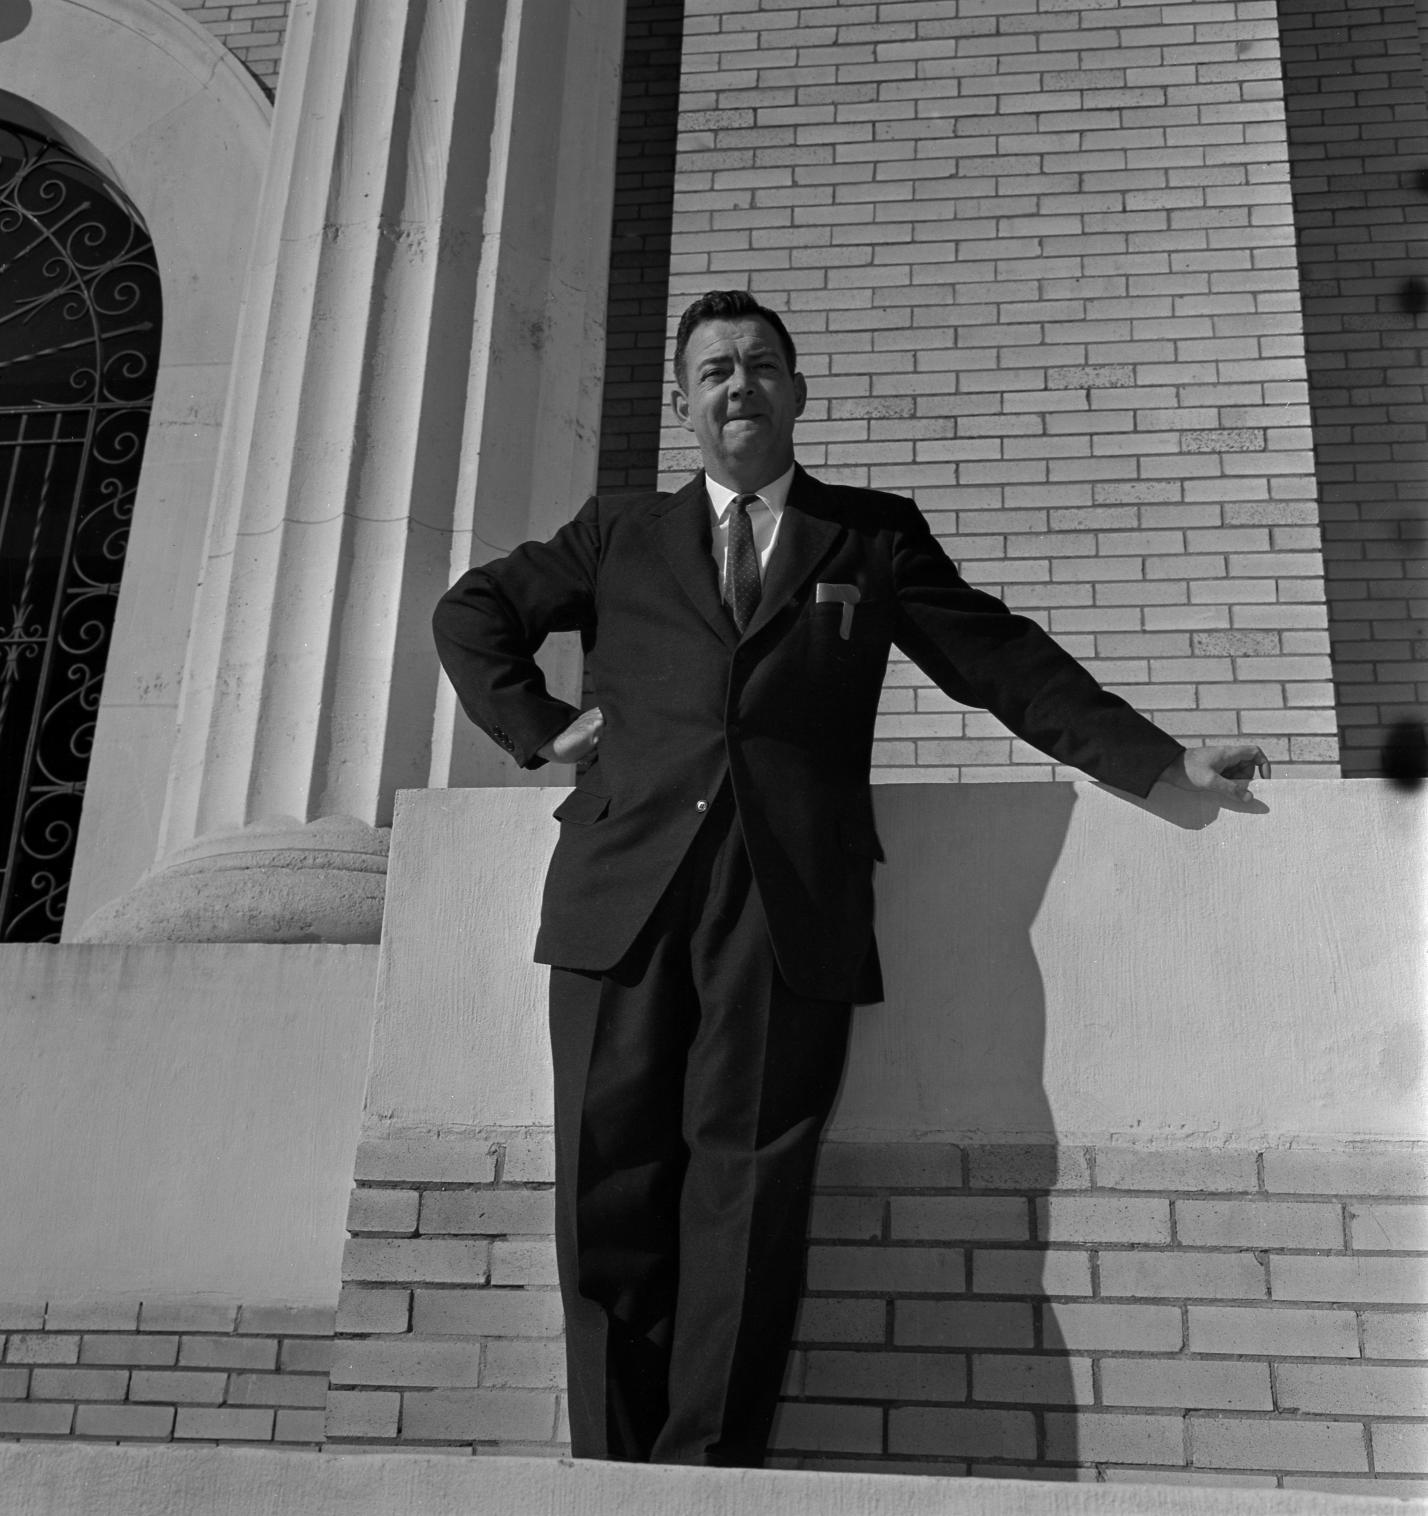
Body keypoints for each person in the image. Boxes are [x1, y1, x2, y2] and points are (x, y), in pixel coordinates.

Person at [431, 289, 1268, 1468]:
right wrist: (539, 725)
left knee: (751, 1197)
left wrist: (1161, 760)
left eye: (762, 364)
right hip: (622, 895)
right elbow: (472, 613)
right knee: (607, 1189)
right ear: (682, 403)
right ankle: (612, 1477)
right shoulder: (619, 531)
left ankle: (702, 1481)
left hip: (790, 907)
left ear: (797, 390)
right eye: (714, 369)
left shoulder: (867, 536)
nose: (739, 384)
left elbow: (998, 657)